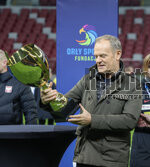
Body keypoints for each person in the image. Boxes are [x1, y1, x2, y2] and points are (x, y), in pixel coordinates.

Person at [40, 35, 142, 167]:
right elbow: (65, 109)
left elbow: (129, 120)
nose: (98, 60)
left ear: (117, 54)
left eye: (103, 56)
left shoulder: (133, 84)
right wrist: (48, 100)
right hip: (84, 157)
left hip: (112, 160)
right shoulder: (87, 79)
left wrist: (92, 120)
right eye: (96, 56)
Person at [0, 49, 38, 125]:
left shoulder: (20, 83)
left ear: (4, 63)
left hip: (11, 134)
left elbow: (30, 112)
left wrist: (32, 134)